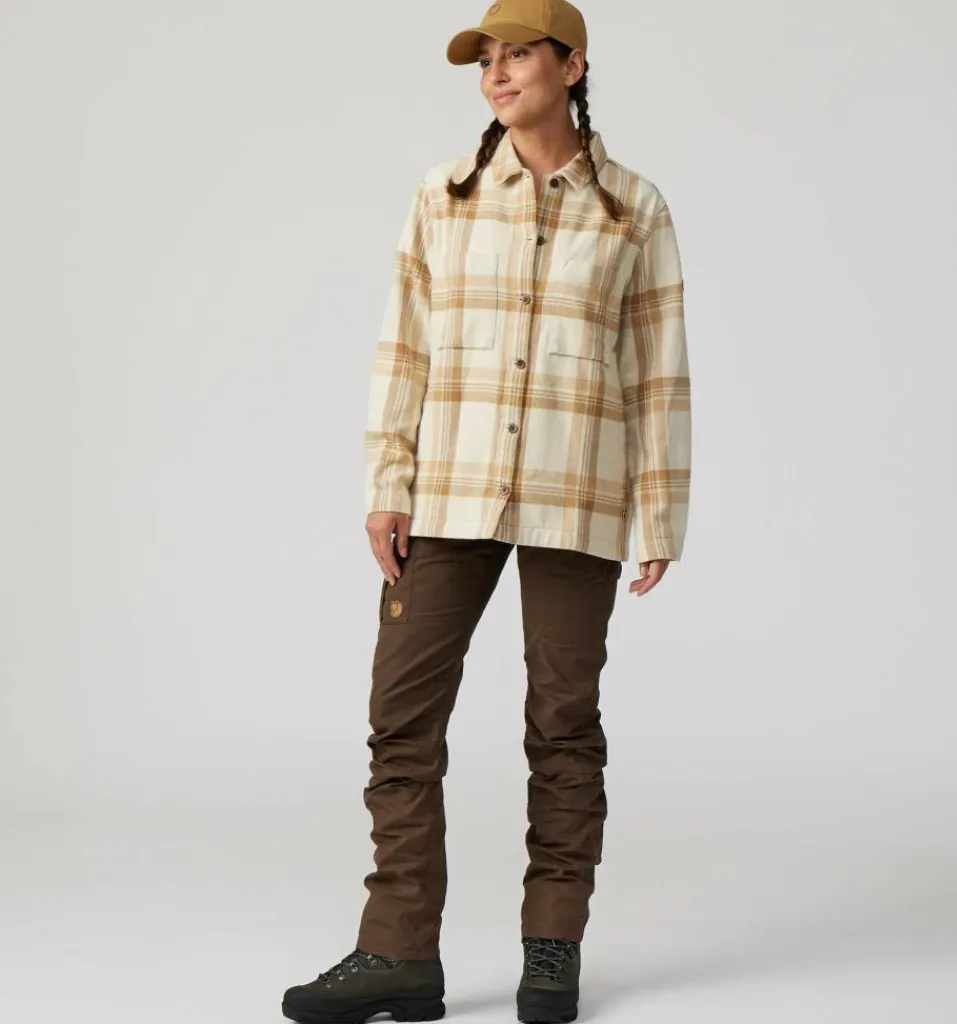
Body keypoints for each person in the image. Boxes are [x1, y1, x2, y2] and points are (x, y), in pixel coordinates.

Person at [282, 0, 691, 1021]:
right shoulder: (445, 195)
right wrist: (387, 482)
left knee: (564, 724)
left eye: (517, 56)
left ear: (572, 66)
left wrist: (660, 512)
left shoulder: (633, 209)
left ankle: (551, 949)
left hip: (575, 490)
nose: (496, 75)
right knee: (400, 715)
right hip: (450, 487)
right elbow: (404, 346)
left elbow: (657, 373)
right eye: (486, 60)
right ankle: (397, 954)